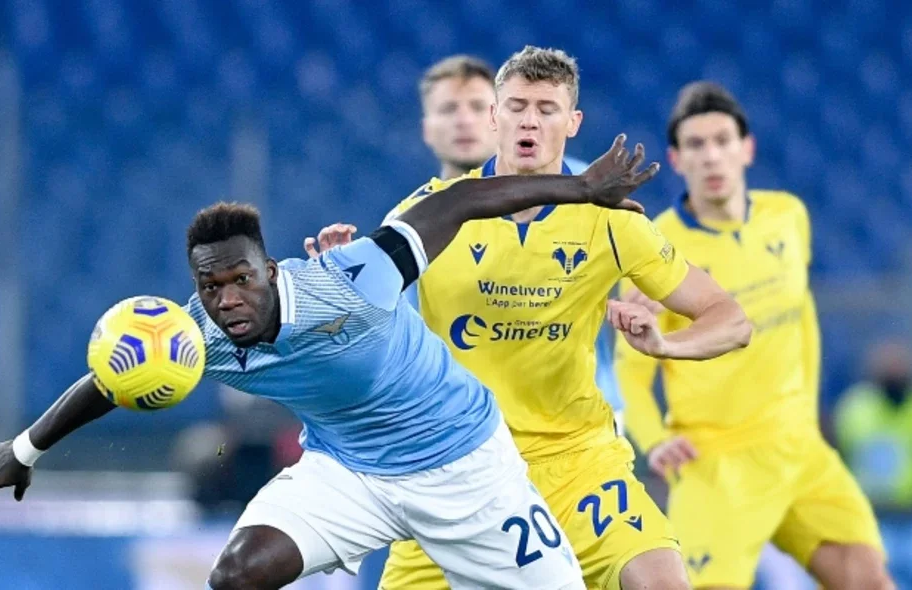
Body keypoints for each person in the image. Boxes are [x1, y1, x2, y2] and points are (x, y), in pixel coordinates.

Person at [0, 136, 660, 590]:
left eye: (240, 279)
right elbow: (108, 383)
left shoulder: (350, 282)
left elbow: (457, 202)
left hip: (464, 467)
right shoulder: (192, 339)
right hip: (348, 472)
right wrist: (27, 449)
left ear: (269, 270)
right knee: (235, 576)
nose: (226, 298)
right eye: (210, 287)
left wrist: (577, 191)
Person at [311, 46, 751, 590]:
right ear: (495, 117)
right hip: (457, 468)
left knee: (663, 583)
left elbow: (730, 318)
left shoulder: (610, 222)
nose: (529, 120)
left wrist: (666, 347)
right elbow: (354, 333)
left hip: (577, 464)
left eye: (547, 109)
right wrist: (339, 280)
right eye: (516, 106)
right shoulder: (428, 214)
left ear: (573, 122)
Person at [614, 81, 894, 590]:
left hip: (800, 450)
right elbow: (630, 369)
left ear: (747, 149)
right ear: (677, 161)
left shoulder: (787, 215)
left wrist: (803, 415)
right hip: (718, 462)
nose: (712, 156)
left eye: (722, 140)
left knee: (869, 581)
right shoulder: (654, 245)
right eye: (696, 145)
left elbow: (801, 313)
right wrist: (654, 441)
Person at [311, 54, 629, 435]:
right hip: (462, 429)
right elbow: (386, 333)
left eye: (477, 107)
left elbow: (652, 263)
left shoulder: (584, 187)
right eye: (448, 109)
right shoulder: (411, 219)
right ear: (427, 128)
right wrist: (348, 284)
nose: (464, 120)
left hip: (577, 425)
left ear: (497, 115)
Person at [834, 339, 912, 511]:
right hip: (864, 509)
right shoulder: (855, 406)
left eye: (898, 365)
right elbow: (839, 457)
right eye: (888, 366)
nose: (893, 371)